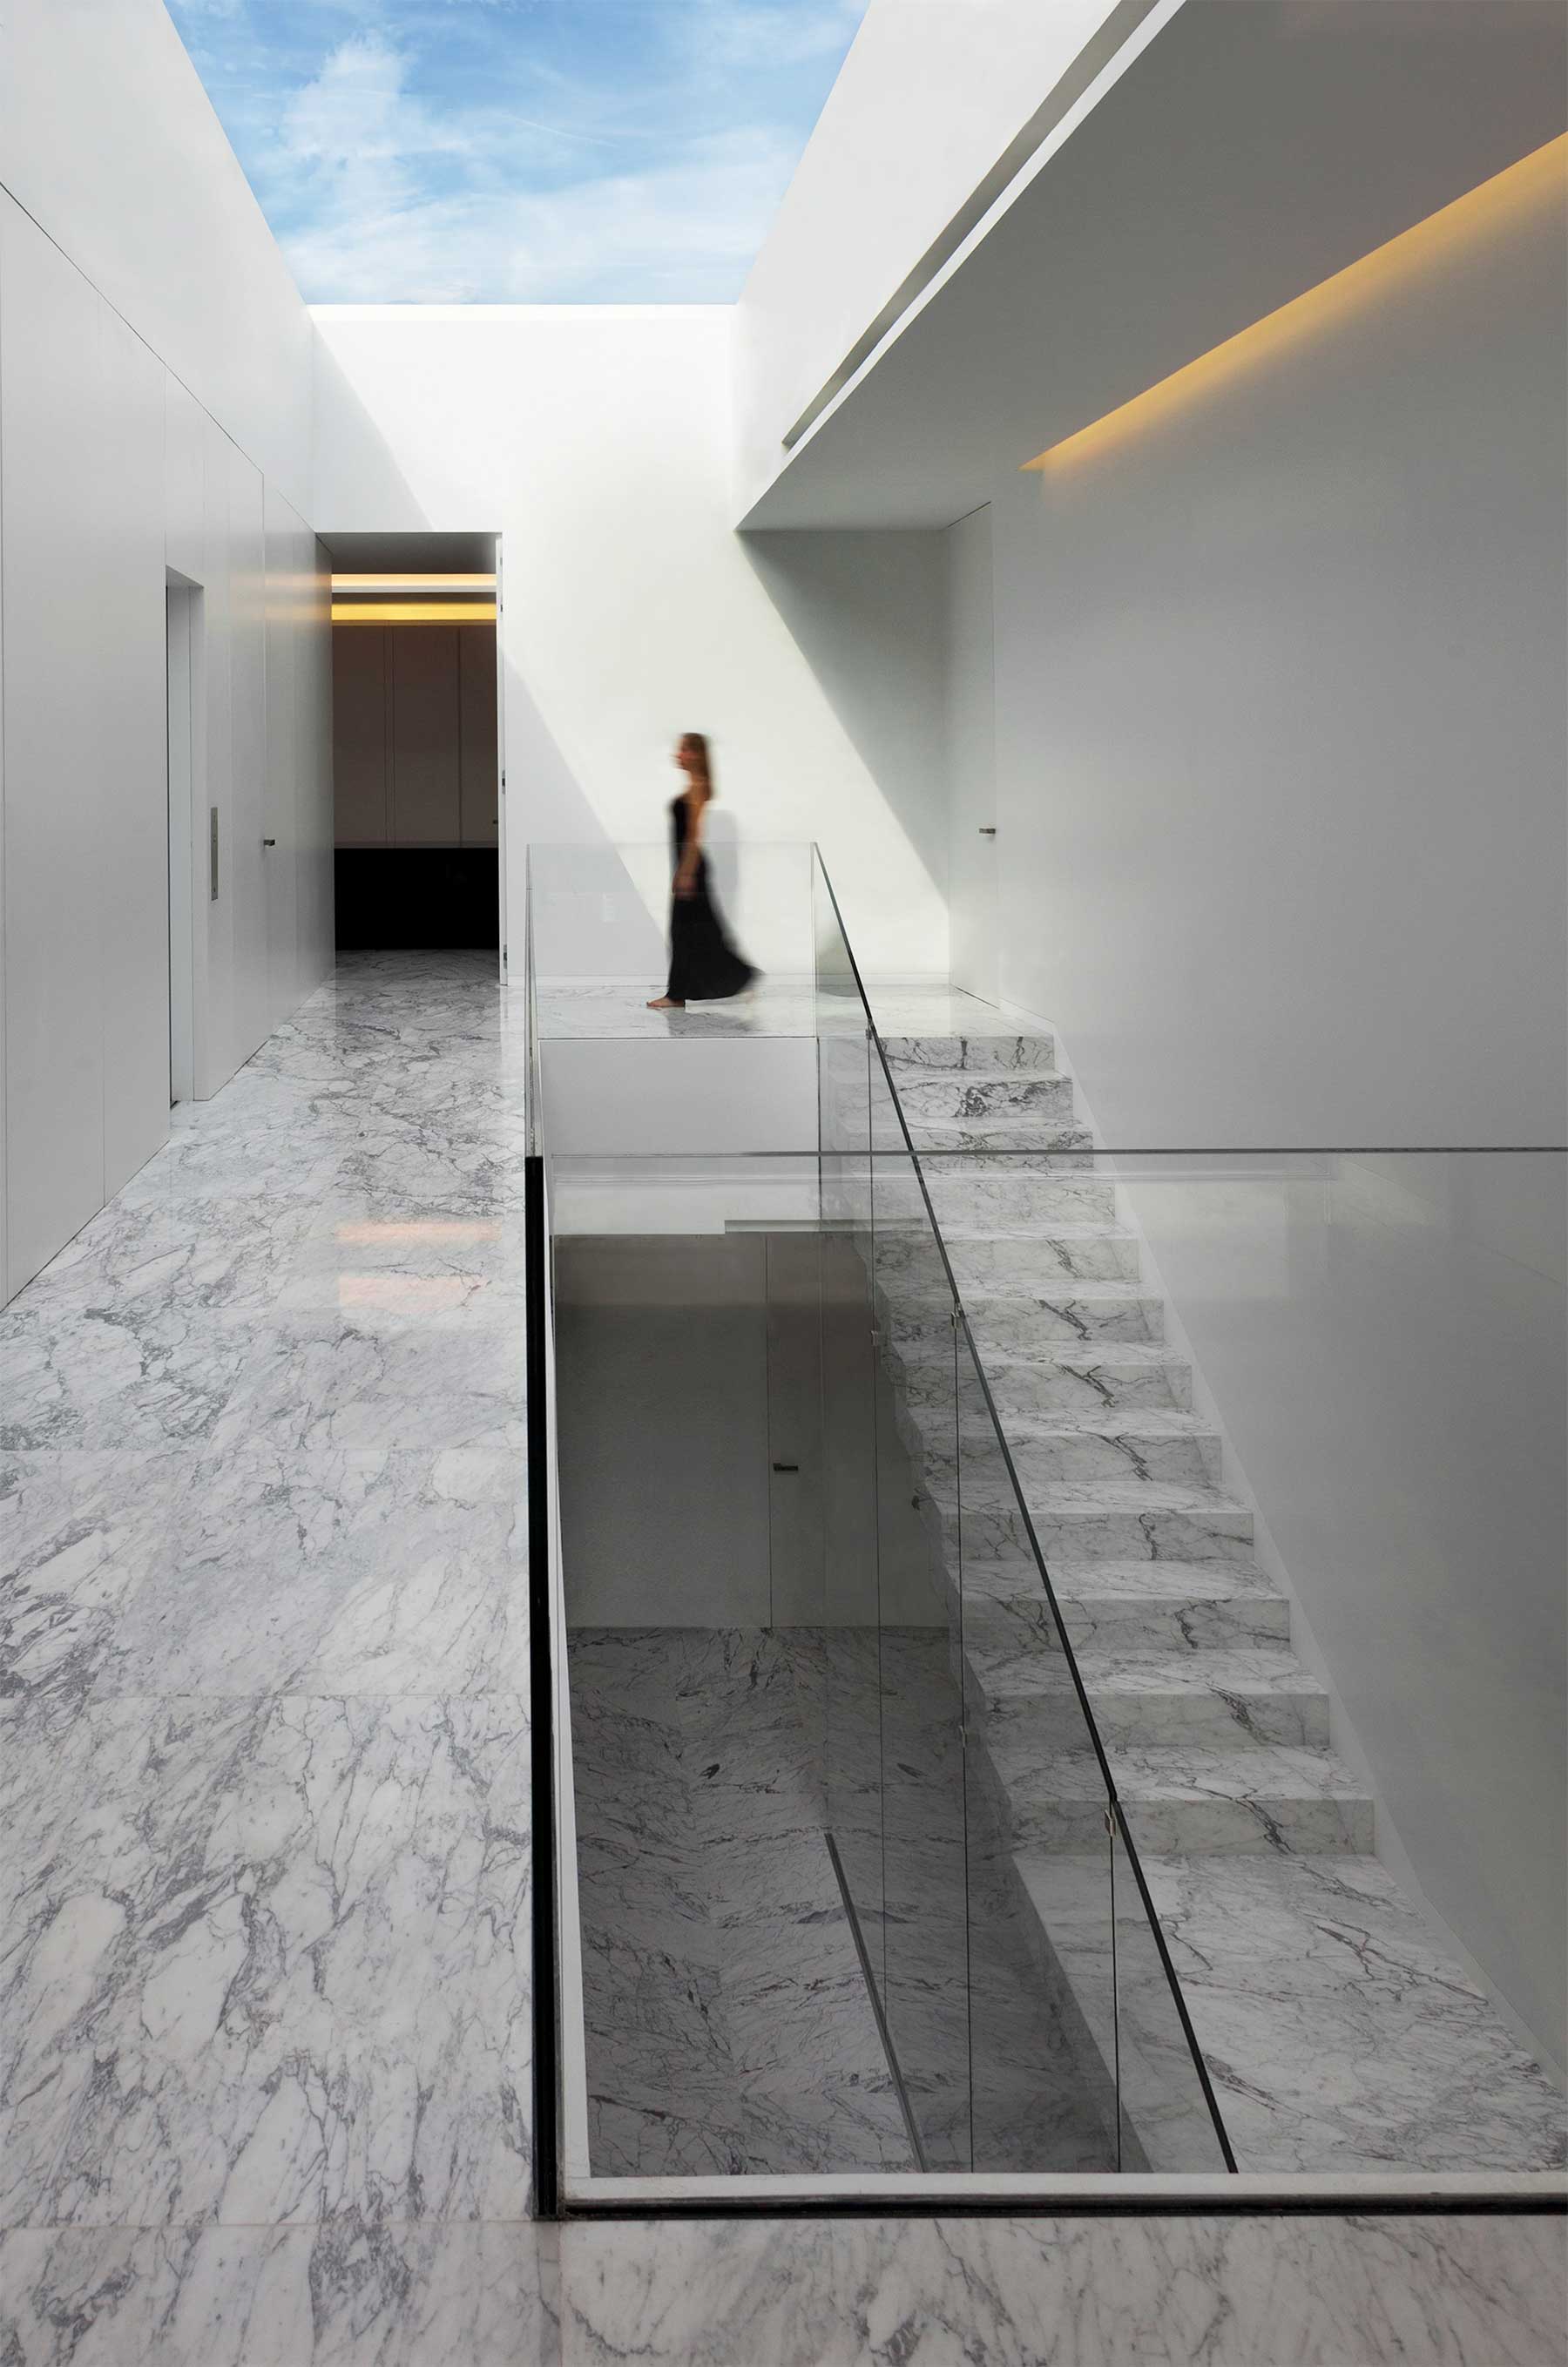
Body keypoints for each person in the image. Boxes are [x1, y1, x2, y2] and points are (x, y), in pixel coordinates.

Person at [647, 731, 758, 1010]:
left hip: (692, 868)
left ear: (696, 754)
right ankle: (738, 977)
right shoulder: (695, 786)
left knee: (683, 931)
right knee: (701, 931)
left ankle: (678, 994)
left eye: (683, 749)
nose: (678, 754)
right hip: (690, 866)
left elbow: (694, 835)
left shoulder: (698, 786)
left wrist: (686, 872)